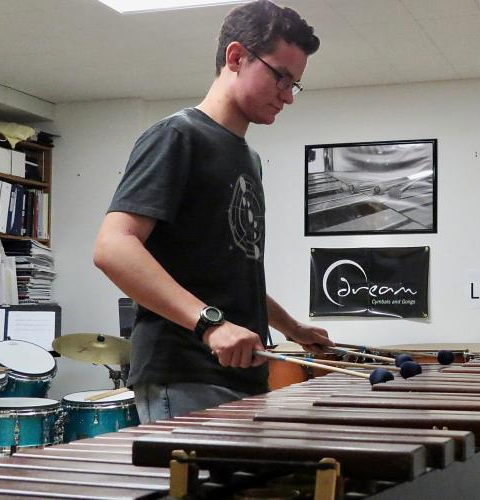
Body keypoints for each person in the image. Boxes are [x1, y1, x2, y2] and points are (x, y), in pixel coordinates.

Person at [93, 0, 332, 423]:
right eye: (280, 76)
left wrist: (292, 327)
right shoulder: (177, 136)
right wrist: (210, 324)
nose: (287, 96)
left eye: (294, 84)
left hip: (242, 373)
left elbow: (227, 268)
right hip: (185, 371)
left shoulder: (248, 158)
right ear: (236, 57)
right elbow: (113, 247)